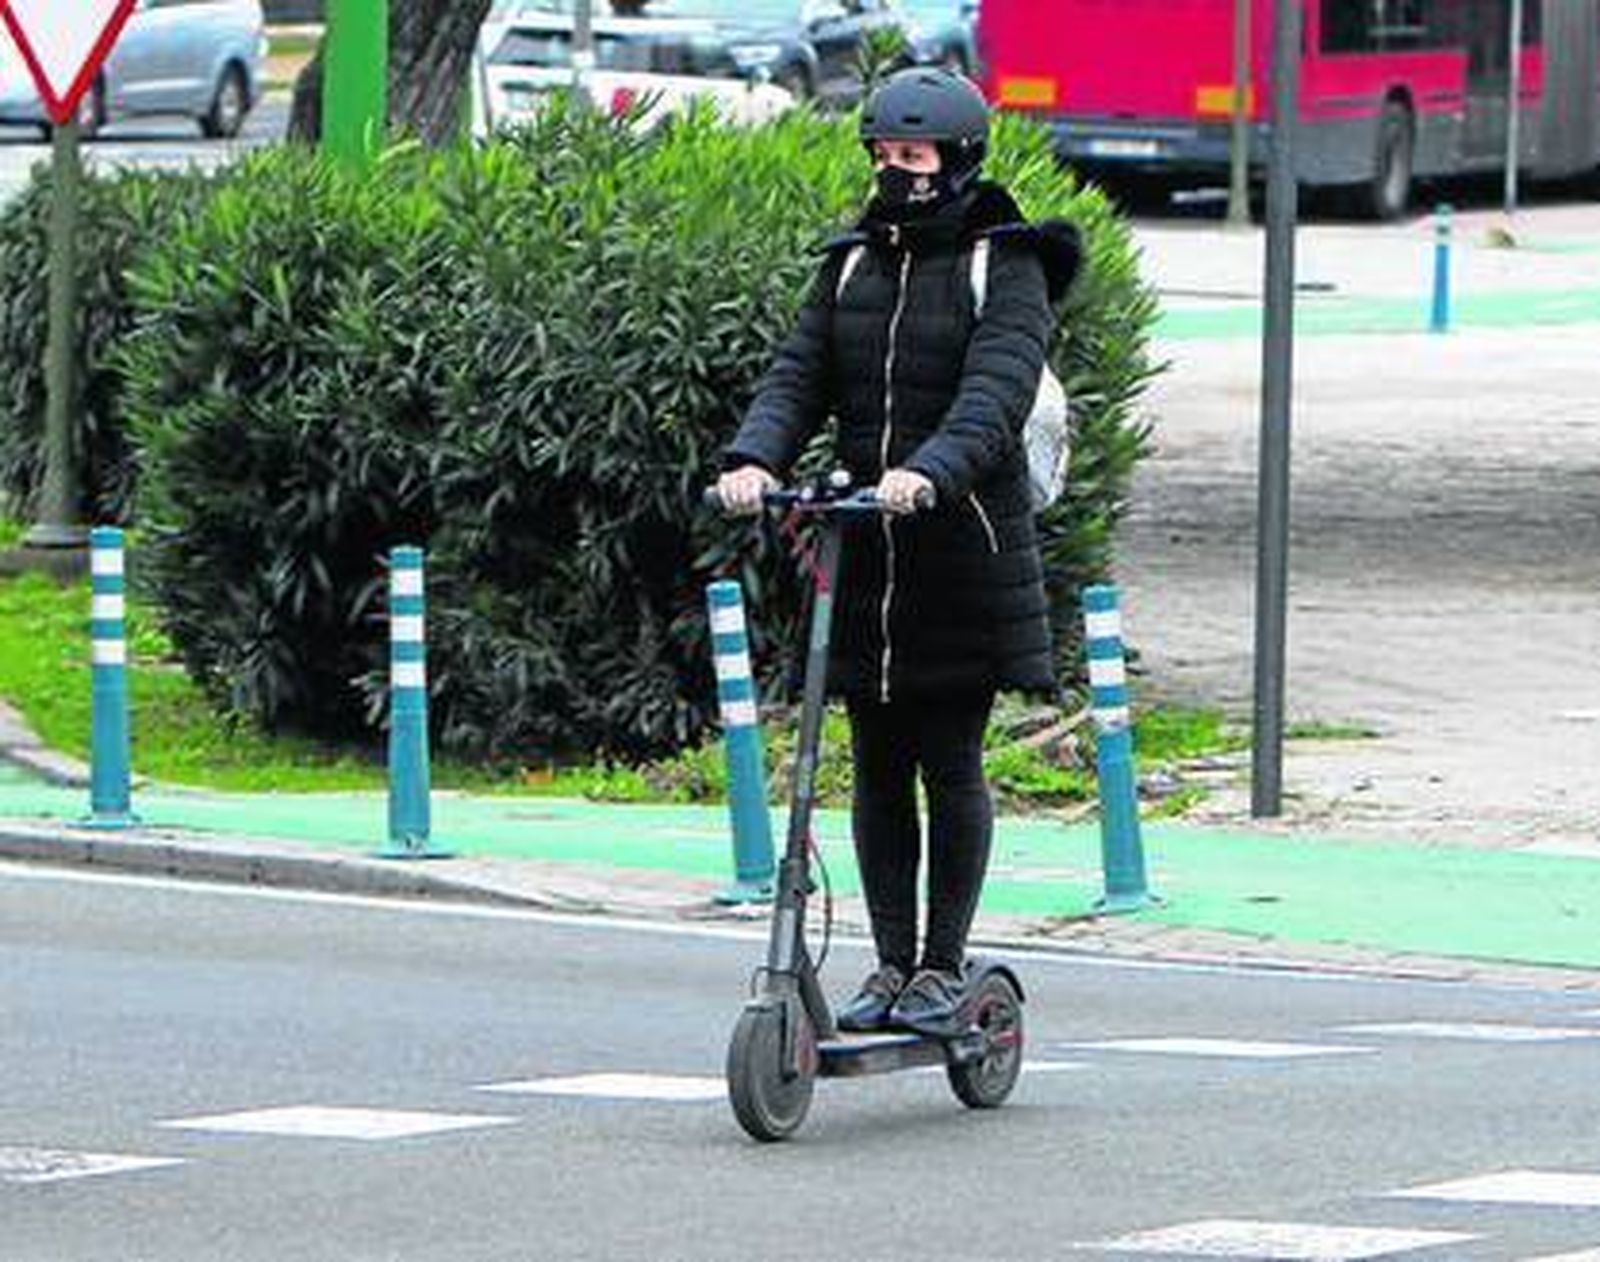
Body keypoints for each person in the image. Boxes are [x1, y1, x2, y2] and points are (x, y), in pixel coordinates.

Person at [716, 67, 1081, 1035]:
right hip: (865, 550)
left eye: (911, 156)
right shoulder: (852, 261)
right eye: (881, 154)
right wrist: (755, 457)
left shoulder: (1005, 263)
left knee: (948, 755)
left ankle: (941, 964)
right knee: (876, 761)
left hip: (960, 542)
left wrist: (929, 470)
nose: (894, 171)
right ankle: (887, 963)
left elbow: (995, 391)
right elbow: (799, 372)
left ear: (957, 161)